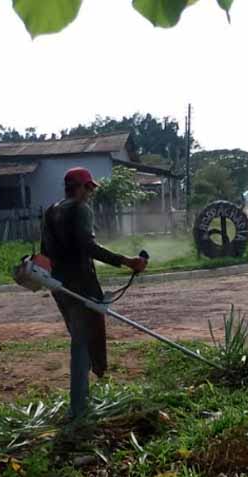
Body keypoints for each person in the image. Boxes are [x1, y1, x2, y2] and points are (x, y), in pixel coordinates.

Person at [41, 167, 147, 437]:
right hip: (81, 284)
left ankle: (84, 397)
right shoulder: (80, 209)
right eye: (88, 188)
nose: (90, 193)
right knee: (82, 343)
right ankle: (79, 409)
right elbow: (88, 247)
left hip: (59, 285)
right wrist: (127, 261)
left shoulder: (51, 210)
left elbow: (44, 252)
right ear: (79, 187)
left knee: (81, 339)